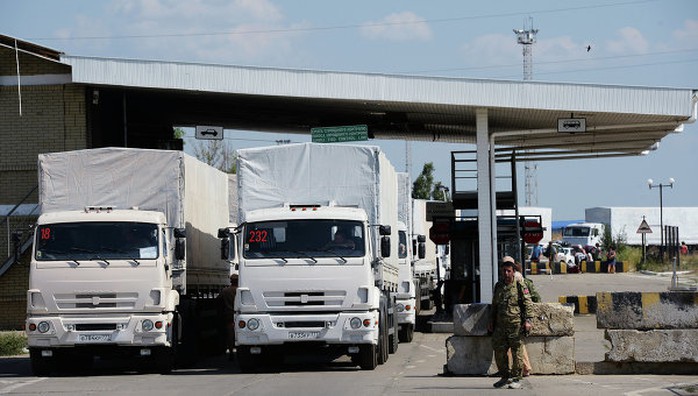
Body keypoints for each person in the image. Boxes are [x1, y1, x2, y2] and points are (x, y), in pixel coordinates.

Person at [488, 256, 534, 389]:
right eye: (504, 271)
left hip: (515, 325)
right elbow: (494, 305)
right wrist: (491, 320)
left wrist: (528, 321)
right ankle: (504, 376)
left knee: (517, 353)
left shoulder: (520, 285)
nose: (506, 274)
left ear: (513, 271)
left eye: (508, 271)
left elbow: (528, 304)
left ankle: (516, 378)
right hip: (500, 326)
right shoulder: (498, 286)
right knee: (499, 352)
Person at [512, 260, 540, 377]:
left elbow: (533, 300)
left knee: (517, 345)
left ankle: (523, 369)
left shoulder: (523, 284)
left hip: (518, 320)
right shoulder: (503, 286)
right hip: (509, 320)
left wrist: (528, 320)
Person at [217, 273, 238, 361]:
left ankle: (231, 352)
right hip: (239, 314)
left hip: (229, 315)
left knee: (230, 335)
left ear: (230, 281)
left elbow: (218, 301)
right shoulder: (240, 290)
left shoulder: (225, 291)